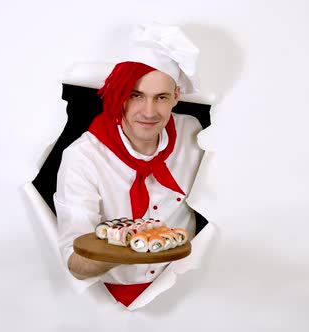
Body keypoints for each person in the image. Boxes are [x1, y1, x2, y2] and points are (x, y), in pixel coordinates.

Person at [54, 23, 206, 308]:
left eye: (160, 97)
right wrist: (133, 244)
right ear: (119, 94)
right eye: (136, 95)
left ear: (175, 97)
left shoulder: (193, 136)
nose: (149, 112)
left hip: (187, 291)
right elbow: (74, 262)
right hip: (102, 302)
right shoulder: (82, 157)